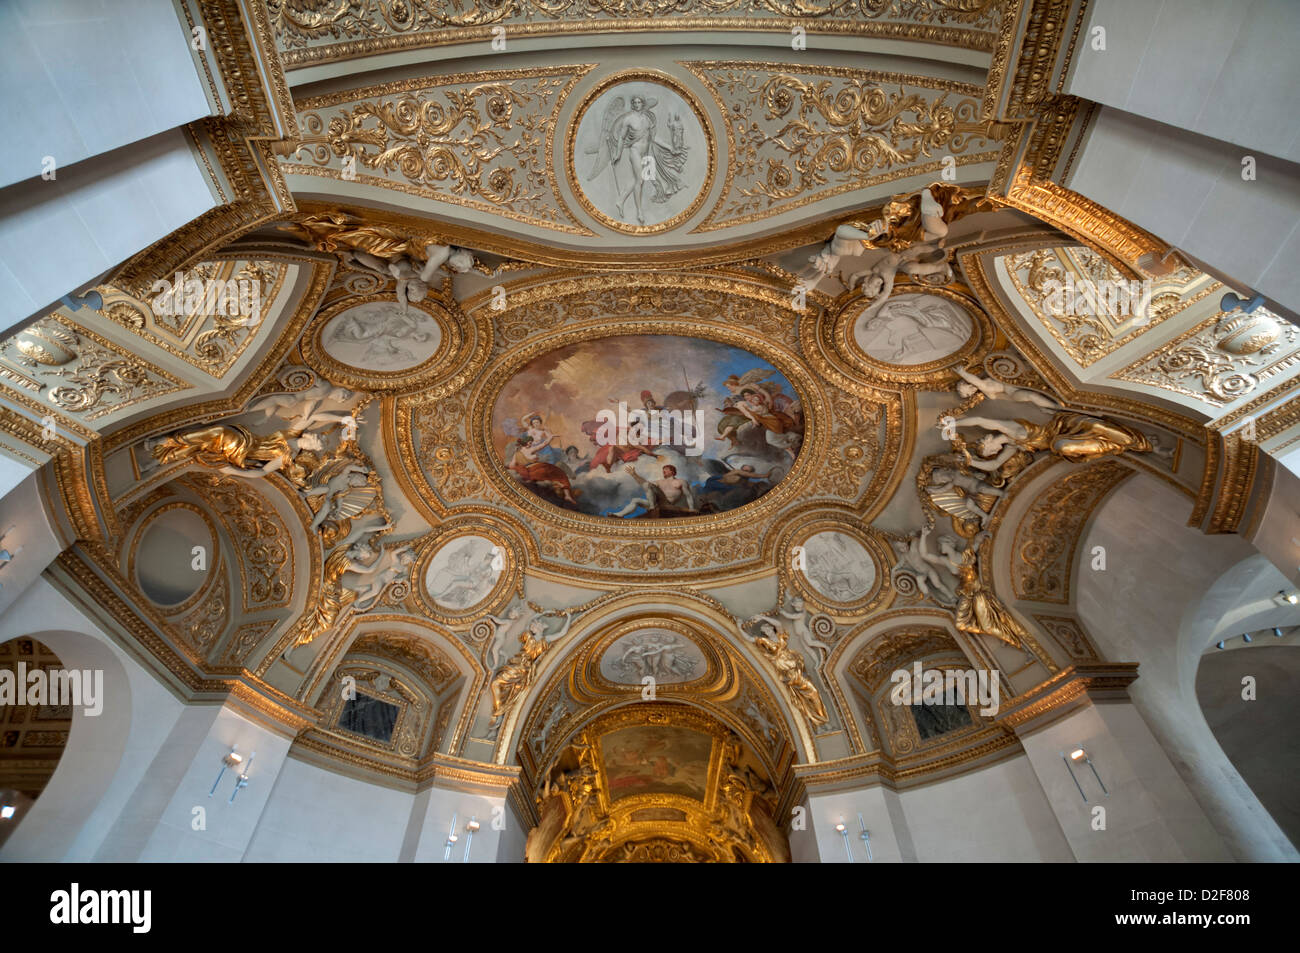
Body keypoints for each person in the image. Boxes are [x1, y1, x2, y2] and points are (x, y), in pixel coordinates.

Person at [610, 463, 696, 517]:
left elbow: (688, 495)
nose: (663, 472)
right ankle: (619, 515)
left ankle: (652, 508)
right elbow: (645, 484)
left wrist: (691, 508)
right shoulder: (659, 482)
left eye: (666, 470)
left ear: (672, 472)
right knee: (635, 500)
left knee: (648, 485)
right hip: (657, 503)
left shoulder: (681, 481)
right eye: (663, 470)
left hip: (667, 503)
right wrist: (634, 475)